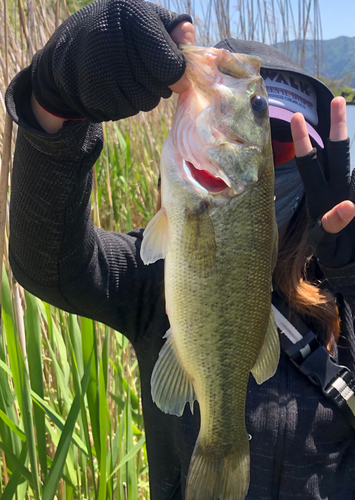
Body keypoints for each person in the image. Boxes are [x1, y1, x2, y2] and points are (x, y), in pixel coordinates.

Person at [5, 0, 355, 498]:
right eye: (266, 129)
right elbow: (48, 266)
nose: (276, 165)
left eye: (287, 145)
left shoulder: (344, 283)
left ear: (324, 162)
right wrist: (52, 106)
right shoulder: (158, 273)